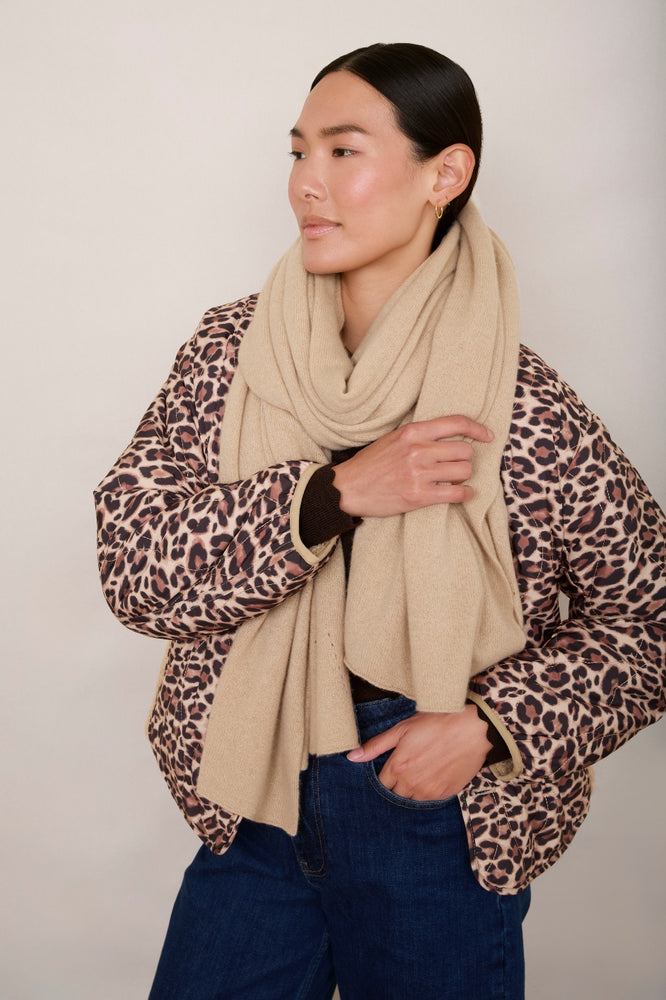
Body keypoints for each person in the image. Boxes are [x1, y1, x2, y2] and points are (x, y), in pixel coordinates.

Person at [94, 42, 666, 1000]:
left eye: (343, 151)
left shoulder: (520, 406)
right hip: (255, 788)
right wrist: (331, 494)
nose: (306, 183)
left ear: (445, 174)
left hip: (432, 818)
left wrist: (492, 727)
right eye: (297, 152)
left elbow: (651, 616)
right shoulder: (230, 354)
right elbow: (133, 568)